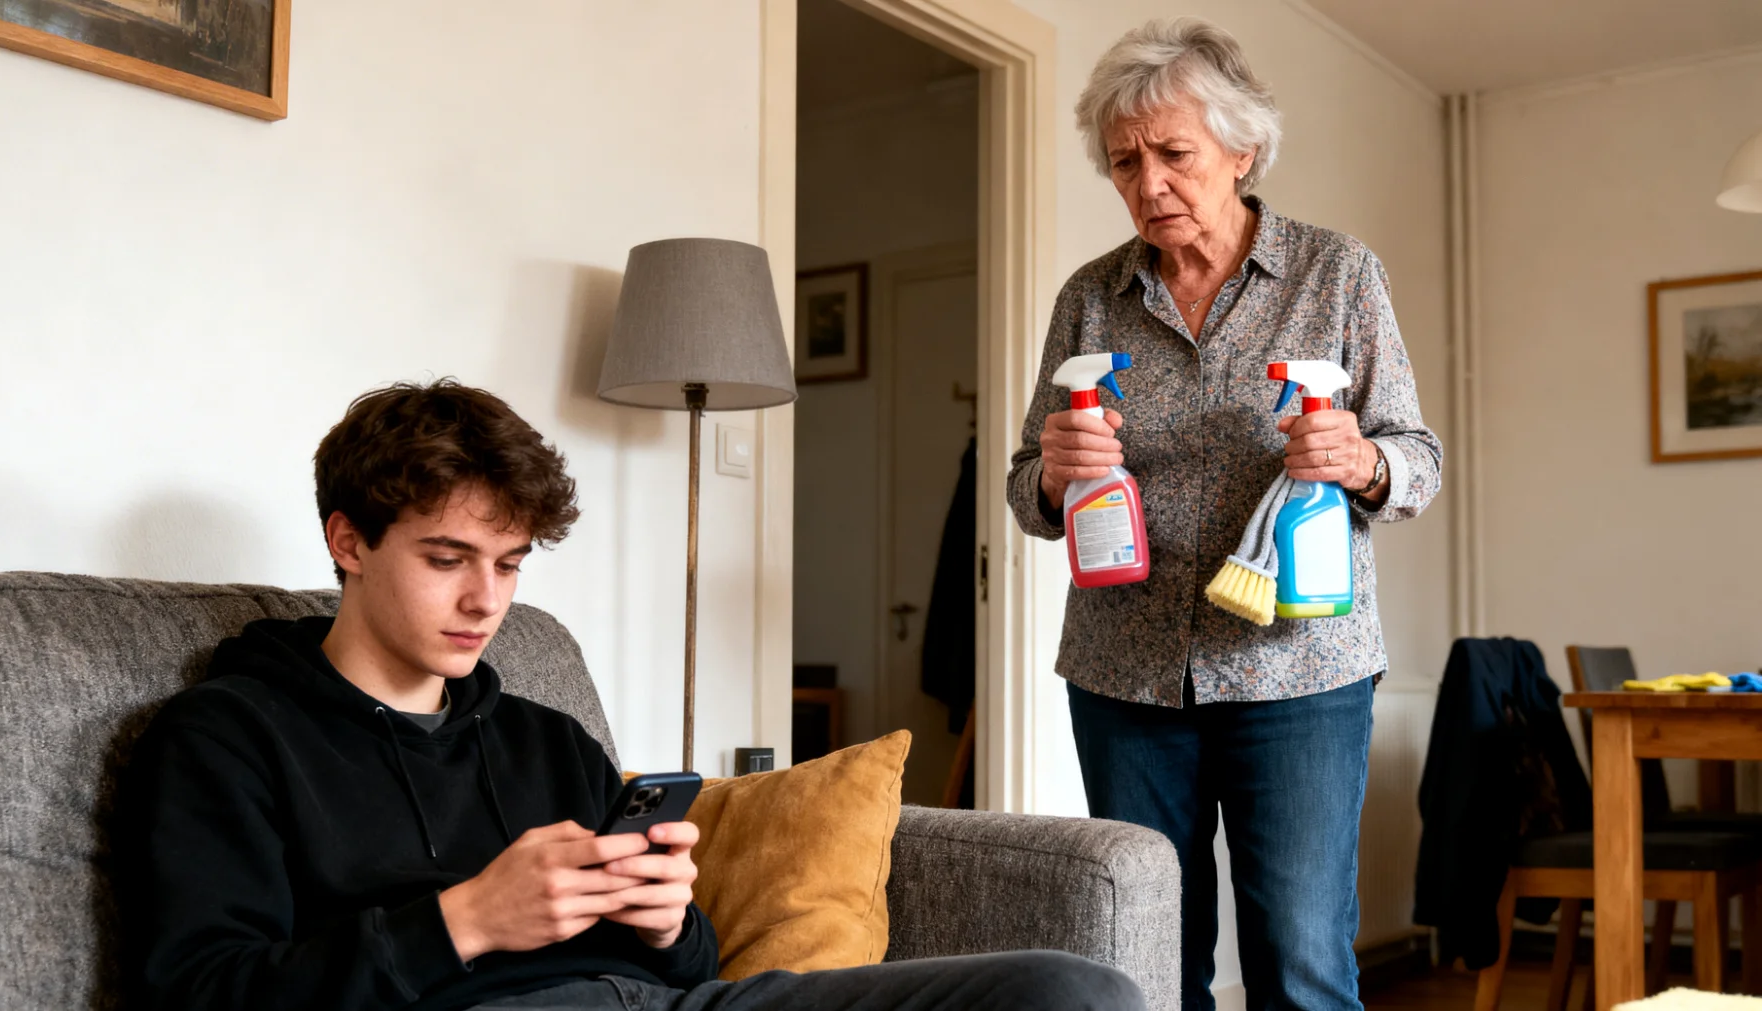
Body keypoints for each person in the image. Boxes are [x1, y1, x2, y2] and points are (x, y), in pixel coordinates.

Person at [116, 379, 1143, 1011]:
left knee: (1073, 988)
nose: (486, 601)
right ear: (348, 540)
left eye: (509, 565)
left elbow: (691, 967)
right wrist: (464, 922)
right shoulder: (227, 737)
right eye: (447, 558)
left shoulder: (544, 738)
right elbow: (199, 992)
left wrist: (664, 923)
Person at [1005, 18, 1442, 1011]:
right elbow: (1029, 485)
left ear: (1242, 151)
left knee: (1301, 961)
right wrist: (1055, 476)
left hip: (1298, 670)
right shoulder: (1091, 297)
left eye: (1174, 154)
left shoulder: (1338, 273)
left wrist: (1364, 461)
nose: (1148, 183)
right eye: (1125, 163)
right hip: (1124, 676)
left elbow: (1418, 459)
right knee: (1146, 959)